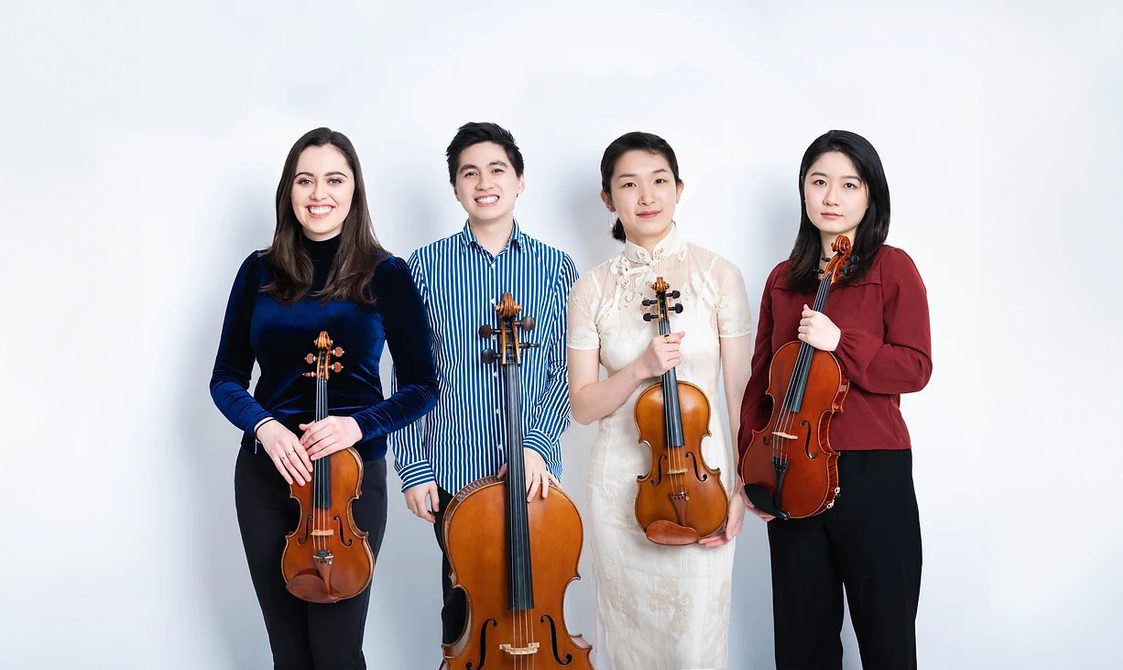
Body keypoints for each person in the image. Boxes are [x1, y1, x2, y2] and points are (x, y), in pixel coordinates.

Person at [209, 127, 438, 669]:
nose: (319, 193)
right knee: (287, 651)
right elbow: (225, 377)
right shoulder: (258, 271)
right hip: (268, 479)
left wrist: (356, 426)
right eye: (305, 180)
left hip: (351, 482)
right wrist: (263, 425)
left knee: (336, 651)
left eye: (334, 179)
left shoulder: (387, 274)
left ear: (354, 190)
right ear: (289, 191)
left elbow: (421, 386)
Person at [738, 129, 931, 670]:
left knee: (886, 634)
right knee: (802, 642)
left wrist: (841, 341)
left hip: (874, 473)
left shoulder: (893, 268)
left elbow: (915, 368)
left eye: (849, 184)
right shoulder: (783, 278)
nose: (831, 196)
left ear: (870, 196)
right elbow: (761, 384)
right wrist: (749, 465)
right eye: (819, 182)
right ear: (803, 191)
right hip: (790, 471)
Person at [567, 131, 752, 669]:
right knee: (628, 646)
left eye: (659, 181)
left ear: (678, 188)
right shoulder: (593, 288)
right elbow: (583, 405)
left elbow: (737, 388)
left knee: (697, 643)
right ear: (608, 199)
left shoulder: (717, 275)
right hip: (621, 490)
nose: (646, 195)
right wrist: (641, 369)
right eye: (629, 184)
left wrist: (742, 484)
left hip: (704, 485)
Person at [388, 121, 579, 646]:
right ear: (455, 188)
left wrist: (536, 445)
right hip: (453, 470)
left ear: (520, 181)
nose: (484, 181)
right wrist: (414, 468)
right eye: (469, 173)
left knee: (536, 604)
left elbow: (563, 371)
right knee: (464, 611)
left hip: (533, 474)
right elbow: (407, 373)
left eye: (497, 169)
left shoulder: (557, 268)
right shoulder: (421, 268)